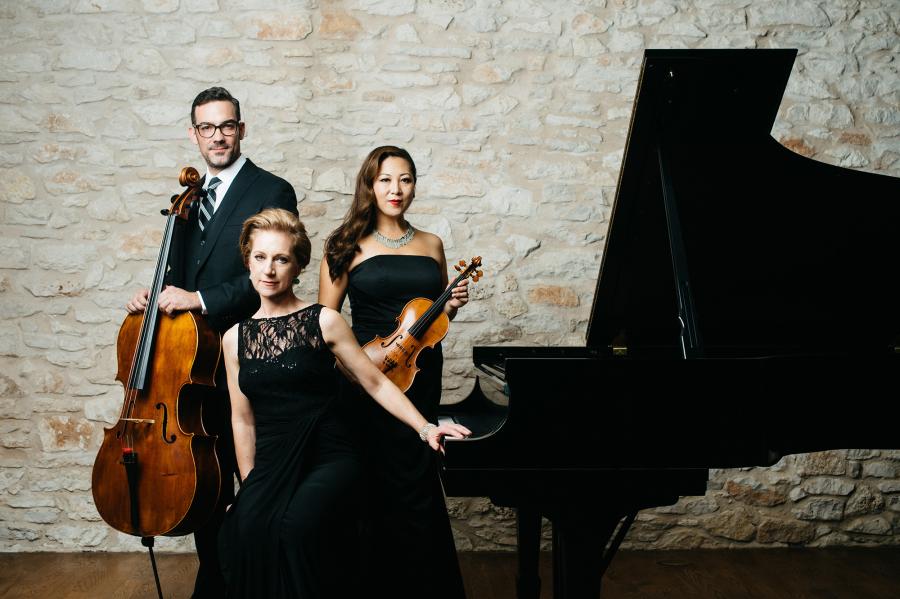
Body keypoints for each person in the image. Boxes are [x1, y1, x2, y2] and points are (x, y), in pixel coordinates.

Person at [217, 208, 469, 598]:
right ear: (248, 262)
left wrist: (426, 427)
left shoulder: (325, 321)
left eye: (281, 258)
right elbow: (242, 421)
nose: (269, 270)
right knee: (245, 529)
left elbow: (375, 382)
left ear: (298, 266)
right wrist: (251, 489)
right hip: (272, 461)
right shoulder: (233, 338)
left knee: (296, 527)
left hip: (329, 454)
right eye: (260, 257)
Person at [125, 87, 298, 598]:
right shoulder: (189, 197)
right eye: (207, 127)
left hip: (250, 356)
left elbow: (268, 278)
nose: (217, 136)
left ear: (241, 129)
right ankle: (221, 580)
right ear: (193, 134)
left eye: (226, 126)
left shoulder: (273, 189)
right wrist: (154, 294)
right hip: (190, 368)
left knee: (257, 477)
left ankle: (258, 580)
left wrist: (199, 298)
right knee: (209, 482)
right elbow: (178, 276)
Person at [318, 146, 470, 598]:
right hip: (366, 377)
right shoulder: (345, 243)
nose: (396, 190)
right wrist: (358, 370)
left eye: (405, 180)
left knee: (416, 485)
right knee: (371, 486)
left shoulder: (432, 244)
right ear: (370, 184)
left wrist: (453, 307)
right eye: (385, 180)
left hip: (422, 374)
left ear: (414, 185)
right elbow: (326, 322)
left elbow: (432, 322)